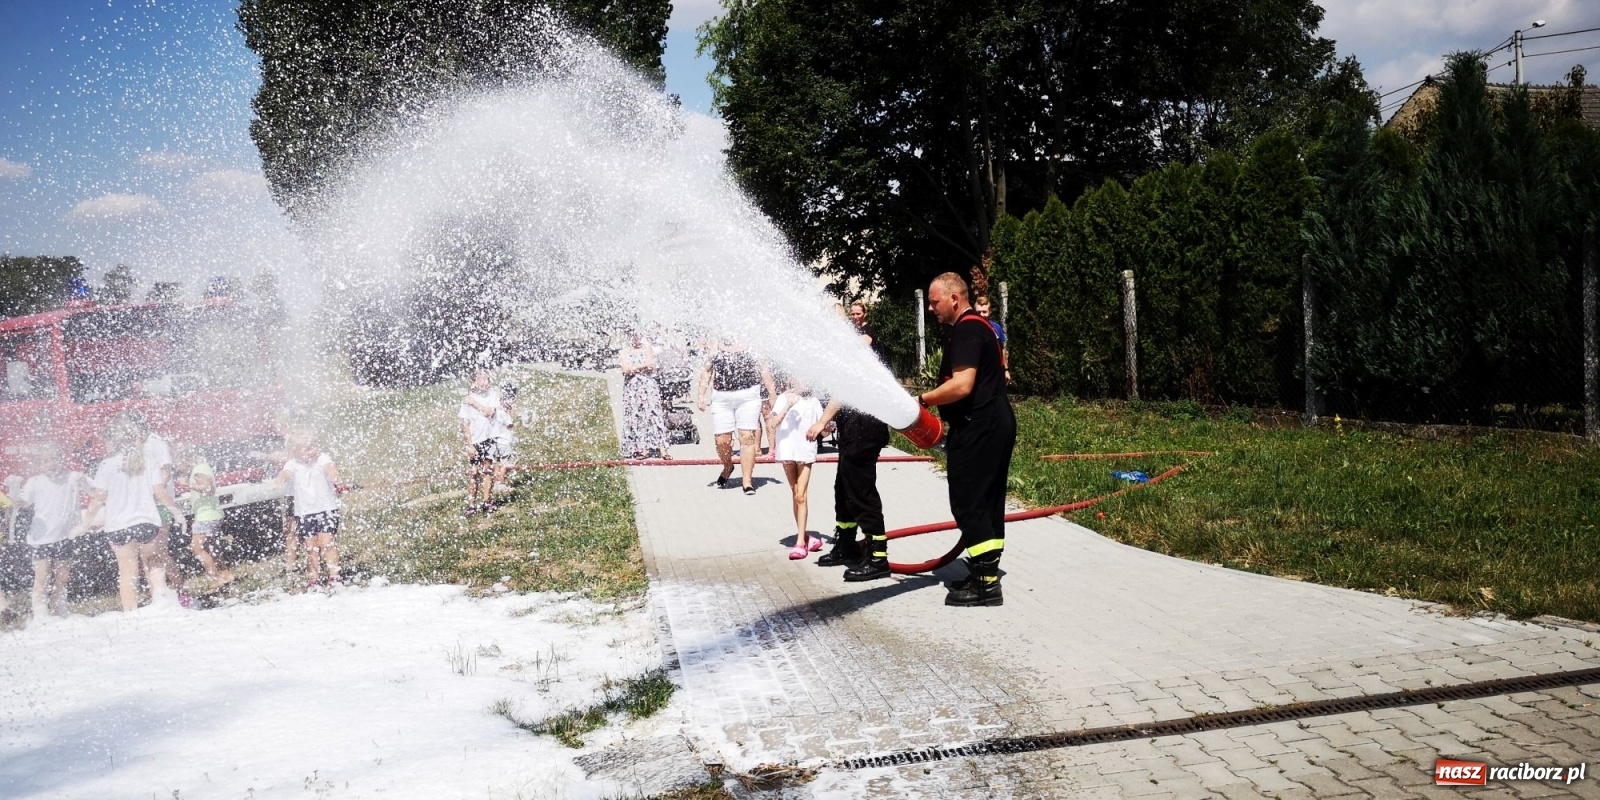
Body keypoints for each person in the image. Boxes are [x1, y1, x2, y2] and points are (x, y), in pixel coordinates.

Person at [918, 273, 1016, 607]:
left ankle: (986, 587)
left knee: (969, 501)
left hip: (980, 428)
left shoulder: (967, 330)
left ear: (954, 299)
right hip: (993, 423)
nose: (932, 308)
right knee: (987, 502)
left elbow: (962, 385)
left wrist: (925, 399)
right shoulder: (979, 327)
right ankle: (984, 574)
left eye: (935, 301)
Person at [84, 417, 188, 612]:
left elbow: (98, 499)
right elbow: (160, 493)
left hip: (117, 526)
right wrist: (177, 513)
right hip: (146, 522)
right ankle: (162, 600)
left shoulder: (106, 465)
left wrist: (84, 524)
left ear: (111, 441)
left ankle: (130, 614)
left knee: (127, 572)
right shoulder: (147, 461)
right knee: (154, 562)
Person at [15, 443, 86, 618]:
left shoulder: (72, 478)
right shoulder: (35, 482)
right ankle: (41, 615)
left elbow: (96, 490)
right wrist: (14, 490)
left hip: (65, 536)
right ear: (39, 464)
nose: (51, 463)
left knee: (62, 577)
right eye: (45, 460)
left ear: (62, 459)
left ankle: (60, 611)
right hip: (41, 539)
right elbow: (22, 503)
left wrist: (84, 480)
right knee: (42, 577)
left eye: (54, 458)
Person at [697, 340, 775, 495]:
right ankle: (728, 466)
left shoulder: (751, 344)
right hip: (721, 397)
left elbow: (764, 369)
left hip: (748, 396)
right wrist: (701, 395)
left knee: (747, 437)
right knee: (722, 440)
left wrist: (772, 394)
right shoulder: (715, 345)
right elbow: (706, 371)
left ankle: (747, 481)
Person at [274, 431, 343, 590]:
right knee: (311, 547)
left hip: (326, 509)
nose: (312, 450)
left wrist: (333, 473)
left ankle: (335, 576)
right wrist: (281, 477)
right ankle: (314, 578)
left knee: (327, 543)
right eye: (307, 449)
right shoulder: (292, 464)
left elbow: (329, 466)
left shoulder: (322, 458)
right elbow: (286, 472)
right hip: (304, 512)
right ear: (295, 452)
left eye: (314, 446)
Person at [767, 379, 825, 559]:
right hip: (787, 449)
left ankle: (800, 543)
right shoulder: (784, 398)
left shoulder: (813, 401)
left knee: (801, 495)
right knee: (795, 494)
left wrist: (828, 427)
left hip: (805, 450)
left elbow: (824, 430)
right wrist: (787, 406)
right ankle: (806, 537)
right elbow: (772, 424)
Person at [459, 369, 512, 515]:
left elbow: (490, 413)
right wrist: (469, 445)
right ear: (474, 381)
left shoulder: (491, 396)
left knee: (487, 471)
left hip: (489, 439)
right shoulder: (467, 400)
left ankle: (487, 501)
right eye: (482, 379)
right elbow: (466, 424)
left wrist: (475, 403)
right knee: (474, 473)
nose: (486, 383)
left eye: (487, 379)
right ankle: (471, 505)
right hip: (475, 440)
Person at [181, 451, 235, 591]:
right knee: (212, 547)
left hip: (206, 516)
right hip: (212, 514)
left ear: (188, 458)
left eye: (181, 462)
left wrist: (188, 484)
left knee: (197, 548)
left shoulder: (198, 470)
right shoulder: (203, 467)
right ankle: (225, 574)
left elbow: (208, 489)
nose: (180, 467)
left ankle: (216, 579)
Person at [619, 332, 670, 459]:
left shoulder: (647, 348)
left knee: (654, 415)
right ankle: (643, 449)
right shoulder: (624, 351)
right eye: (632, 335)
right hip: (632, 389)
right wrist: (641, 367)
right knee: (637, 416)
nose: (635, 338)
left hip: (648, 387)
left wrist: (633, 368)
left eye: (637, 335)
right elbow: (625, 370)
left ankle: (663, 449)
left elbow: (650, 365)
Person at [974, 296, 1010, 383]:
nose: (981, 315)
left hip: (996, 373)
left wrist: (1006, 369)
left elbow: (1002, 349)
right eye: (978, 312)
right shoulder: (971, 329)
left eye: (984, 312)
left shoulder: (996, 327)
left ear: (990, 312)